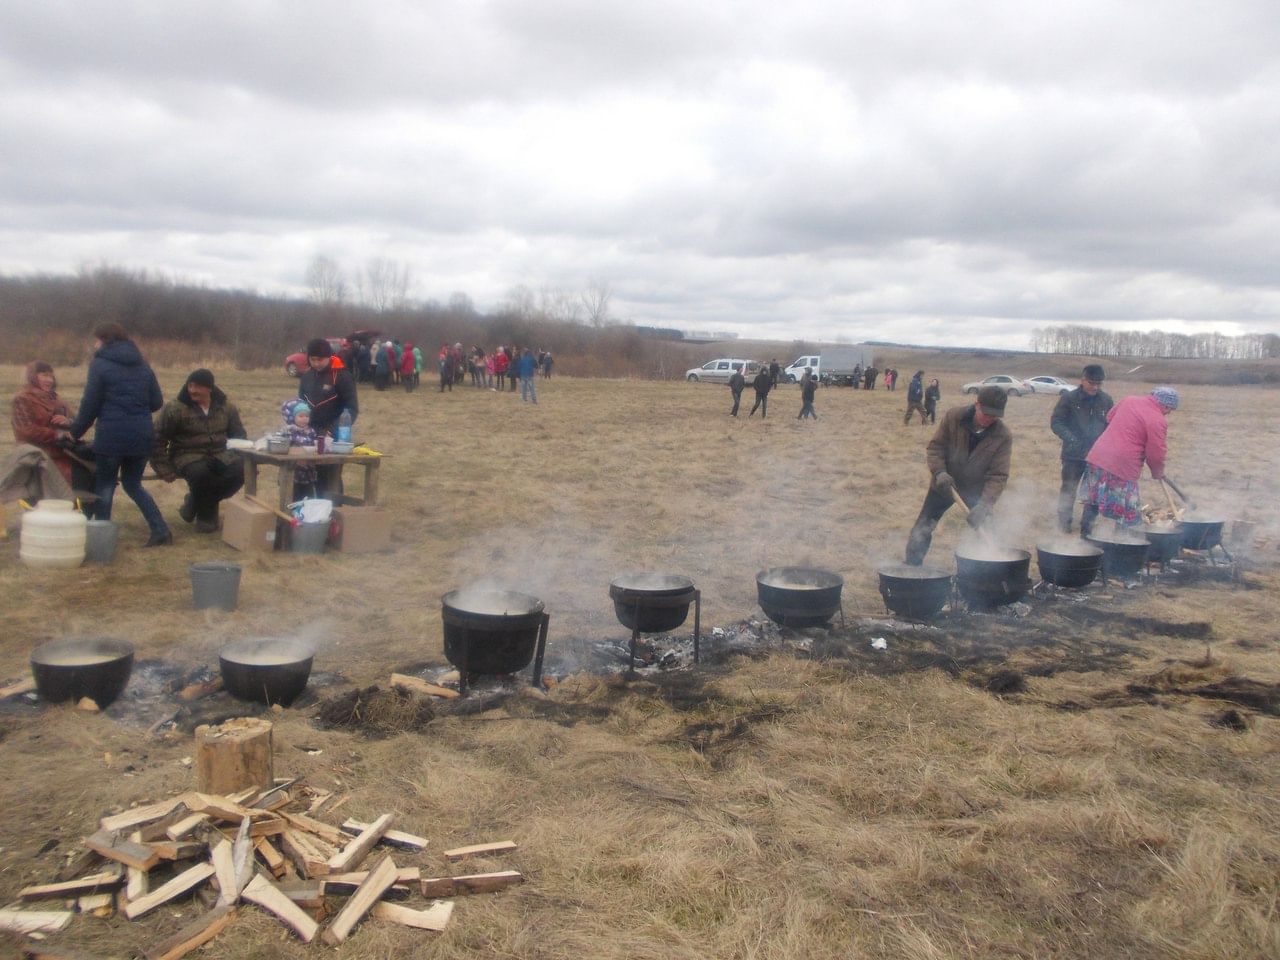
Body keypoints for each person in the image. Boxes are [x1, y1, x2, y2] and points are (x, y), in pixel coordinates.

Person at [68, 323, 171, 546]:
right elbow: (156, 402)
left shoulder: (100, 364)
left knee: (105, 484)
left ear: (105, 340)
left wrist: (75, 432)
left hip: (112, 436)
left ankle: (102, 540)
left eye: (96, 340)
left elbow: (90, 405)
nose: (94, 344)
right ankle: (160, 529)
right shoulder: (143, 365)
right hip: (142, 436)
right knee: (133, 485)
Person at [904, 386, 1012, 565]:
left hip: (977, 490)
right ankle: (911, 567)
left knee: (986, 529)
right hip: (945, 483)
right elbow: (936, 447)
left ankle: (986, 572)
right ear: (977, 404)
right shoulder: (954, 417)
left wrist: (984, 505)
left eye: (995, 416)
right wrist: (939, 472)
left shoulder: (1003, 435)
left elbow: (998, 475)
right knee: (923, 526)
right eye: (987, 414)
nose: (990, 419)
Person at [152, 369, 246, 533]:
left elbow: (239, 436)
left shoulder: (227, 408)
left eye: (198, 387)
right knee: (202, 474)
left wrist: (239, 456)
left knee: (240, 471)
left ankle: (193, 502)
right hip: (186, 456)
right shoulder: (175, 408)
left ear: (209, 388)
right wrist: (163, 468)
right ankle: (206, 519)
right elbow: (156, 439)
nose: (193, 390)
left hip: (220, 454)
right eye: (190, 386)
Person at [1078, 387, 1178, 536]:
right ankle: (1120, 544)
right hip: (1122, 465)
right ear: (1165, 405)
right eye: (1170, 409)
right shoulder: (1158, 420)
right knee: (1125, 510)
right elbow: (1156, 453)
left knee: (1093, 500)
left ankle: (1084, 536)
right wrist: (1158, 472)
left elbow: (1110, 417)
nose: (1169, 412)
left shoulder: (1129, 400)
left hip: (1098, 456)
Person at [1050, 364, 1114, 533]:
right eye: (1092, 383)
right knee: (1069, 489)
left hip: (1097, 456)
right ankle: (1064, 524)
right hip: (1073, 454)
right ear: (1083, 380)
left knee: (1093, 492)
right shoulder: (1069, 399)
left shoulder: (1106, 400)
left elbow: (1111, 426)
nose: (1095, 387)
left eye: (1099, 384)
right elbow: (1056, 422)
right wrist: (1071, 439)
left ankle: (1088, 526)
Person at [11, 361, 93, 492]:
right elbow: (26, 431)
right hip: (35, 455)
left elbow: (77, 423)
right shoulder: (22, 399)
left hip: (61, 453)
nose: (49, 380)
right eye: (44, 375)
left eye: (51, 376)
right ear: (32, 376)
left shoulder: (56, 398)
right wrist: (57, 435)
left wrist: (69, 422)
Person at [298, 338, 357, 497]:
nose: (316, 363)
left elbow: (352, 409)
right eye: (313, 359)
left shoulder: (342, 376)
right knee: (304, 481)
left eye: (320, 359)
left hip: (333, 438)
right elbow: (300, 405)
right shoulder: (306, 377)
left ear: (329, 357)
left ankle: (334, 515)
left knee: (330, 481)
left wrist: (332, 430)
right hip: (309, 436)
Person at [281, 399, 318, 500]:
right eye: (301, 416)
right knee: (294, 498)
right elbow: (285, 447)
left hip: (308, 473)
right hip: (293, 472)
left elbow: (315, 446)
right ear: (294, 417)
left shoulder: (311, 432)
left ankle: (307, 514)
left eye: (306, 416)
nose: (304, 419)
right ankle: (291, 515)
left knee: (309, 498)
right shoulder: (289, 431)